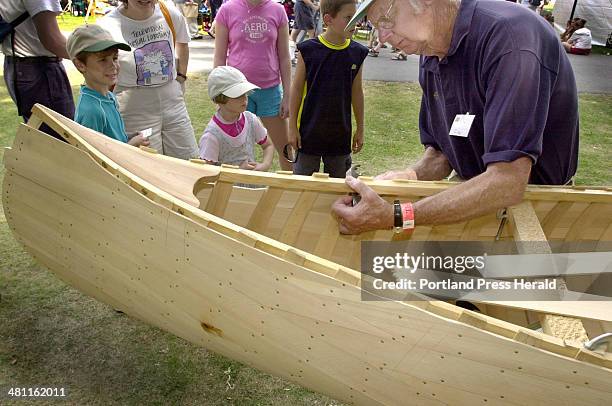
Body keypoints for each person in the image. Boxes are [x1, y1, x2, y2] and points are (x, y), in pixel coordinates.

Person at [332, 0, 579, 235]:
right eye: (377, 27)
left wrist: (397, 216)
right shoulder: (430, 53)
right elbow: (442, 153)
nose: (383, 38)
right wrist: (410, 176)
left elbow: (508, 181)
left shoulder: (511, 38)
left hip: (540, 210)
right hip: (474, 197)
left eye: (386, 20)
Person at [98, 0, 199, 160]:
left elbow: (182, 43)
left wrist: (181, 76)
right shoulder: (107, 25)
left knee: (189, 161)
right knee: (148, 165)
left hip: (172, 100)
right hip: (134, 106)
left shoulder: (168, 12)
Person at [288, 0, 367, 178]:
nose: (355, 22)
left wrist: (360, 128)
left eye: (356, 17)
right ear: (328, 19)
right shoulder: (308, 50)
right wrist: (292, 127)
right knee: (303, 187)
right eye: (348, 17)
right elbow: (297, 90)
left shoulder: (358, 53)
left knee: (339, 190)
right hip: (308, 134)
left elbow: (357, 93)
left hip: (340, 135)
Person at [213, 0, 293, 170]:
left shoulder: (278, 11)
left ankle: (290, 191)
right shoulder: (227, 10)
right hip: (236, 92)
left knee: (286, 150)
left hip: (270, 91)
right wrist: (219, 94)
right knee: (238, 153)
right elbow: (219, 58)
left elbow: (285, 57)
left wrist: (287, 95)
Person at [0, 0, 75, 139]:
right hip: (39, 69)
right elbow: (52, 39)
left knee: (41, 137)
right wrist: (88, 58)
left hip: (18, 66)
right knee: (61, 138)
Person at [67, 24, 149, 148]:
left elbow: (110, 139)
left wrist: (129, 137)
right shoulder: (92, 111)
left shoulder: (109, 96)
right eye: (103, 60)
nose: (113, 66)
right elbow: (96, 157)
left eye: (115, 58)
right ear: (80, 65)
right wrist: (131, 145)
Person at [199, 66, 274, 171]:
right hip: (227, 187)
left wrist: (265, 165)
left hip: (252, 185)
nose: (244, 99)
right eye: (238, 95)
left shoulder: (251, 120)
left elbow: (268, 145)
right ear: (220, 99)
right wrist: (237, 171)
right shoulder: (212, 136)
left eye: (245, 93)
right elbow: (206, 171)